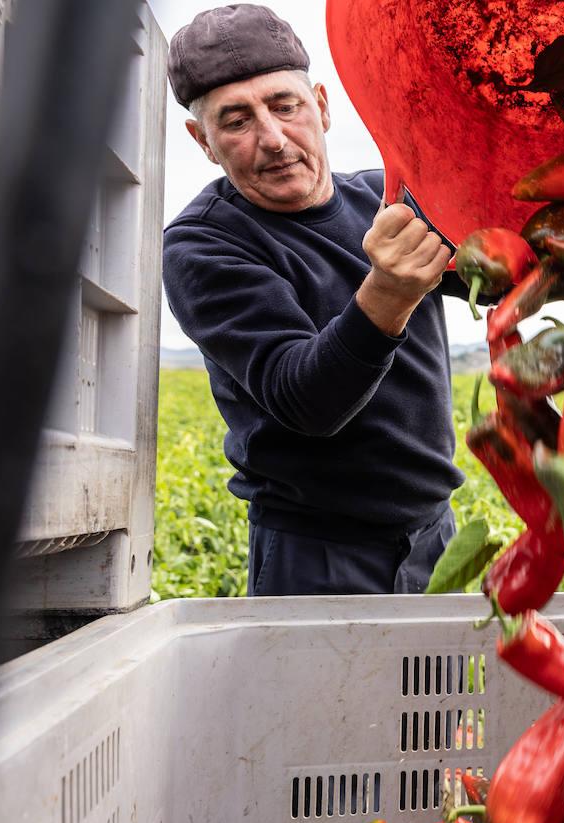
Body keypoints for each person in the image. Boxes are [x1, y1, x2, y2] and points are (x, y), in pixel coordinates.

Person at [163, 4, 469, 596]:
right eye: (236, 121)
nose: (273, 140)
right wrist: (387, 291)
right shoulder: (205, 244)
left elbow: (506, 267)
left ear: (322, 106)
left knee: (441, 693)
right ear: (202, 141)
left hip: (436, 538)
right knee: (326, 693)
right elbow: (304, 400)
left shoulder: (391, 203)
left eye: (285, 106)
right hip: (317, 557)